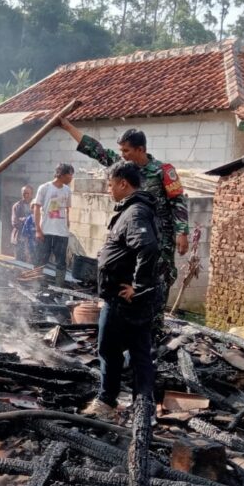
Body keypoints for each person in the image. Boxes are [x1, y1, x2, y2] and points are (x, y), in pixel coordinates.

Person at [59, 119, 189, 334]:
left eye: (127, 150)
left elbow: (178, 202)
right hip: (130, 239)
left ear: (140, 149)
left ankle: (153, 332)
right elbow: (96, 150)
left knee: (158, 283)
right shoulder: (124, 168)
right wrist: (68, 127)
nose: (123, 154)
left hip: (159, 240)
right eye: (121, 150)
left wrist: (182, 233)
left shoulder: (162, 171)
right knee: (127, 281)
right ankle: (128, 331)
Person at [81, 161, 160, 421]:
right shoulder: (134, 210)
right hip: (132, 299)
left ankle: (107, 400)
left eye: (110, 183)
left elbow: (147, 248)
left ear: (123, 183)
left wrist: (138, 287)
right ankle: (143, 408)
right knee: (139, 353)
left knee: (109, 349)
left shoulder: (135, 212)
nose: (108, 188)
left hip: (124, 301)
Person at [32, 163, 74, 286]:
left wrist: (67, 226)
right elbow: (36, 208)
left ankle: (58, 290)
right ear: (62, 175)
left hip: (62, 233)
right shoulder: (44, 188)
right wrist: (38, 230)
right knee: (40, 260)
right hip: (46, 231)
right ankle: (37, 286)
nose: (71, 178)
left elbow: (68, 209)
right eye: (70, 175)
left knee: (61, 263)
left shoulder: (67, 190)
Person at [11, 185, 35, 262]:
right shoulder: (17, 206)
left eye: (28, 193)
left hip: (33, 239)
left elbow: (39, 220)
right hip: (19, 238)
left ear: (32, 194)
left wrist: (25, 220)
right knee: (19, 262)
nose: (26, 195)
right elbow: (14, 222)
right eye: (24, 193)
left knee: (32, 262)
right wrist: (27, 221)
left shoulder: (36, 206)